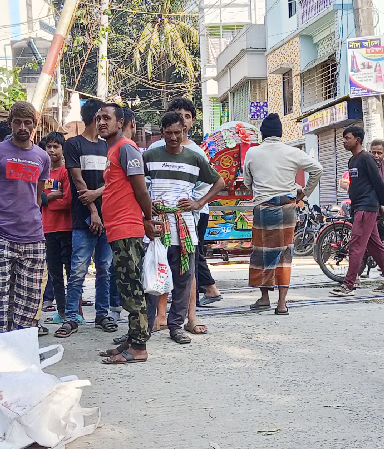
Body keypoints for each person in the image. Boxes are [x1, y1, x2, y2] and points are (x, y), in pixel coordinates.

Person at [143, 112, 226, 344]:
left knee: (183, 279)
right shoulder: (149, 156)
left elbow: (219, 181)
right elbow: (135, 183)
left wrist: (199, 203)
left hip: (185, 227)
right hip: (156, 229)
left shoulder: (194, 157)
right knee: (151, 277)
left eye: (177, 133)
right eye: (168, 133)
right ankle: (145, 328)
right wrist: (146, 209)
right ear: (162, 133)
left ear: (184, 132)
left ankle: (176, 327)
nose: (173, 137)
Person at [96, 103, 161, 364]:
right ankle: (133, 340)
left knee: (131, 287)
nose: (101, 122)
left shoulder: (126, 148)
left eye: (107, 118)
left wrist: (147, 219)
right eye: (99, 118)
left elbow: (141, 189)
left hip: (127, 229)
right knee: (126, 286)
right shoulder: (114, 150)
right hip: (117, 230)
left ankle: (139, 348)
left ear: (120, 122)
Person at [244, 114, 322, 314]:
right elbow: (317, 169)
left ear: (262, 133)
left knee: (261, 253)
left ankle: (263, 298)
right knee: (284, 254)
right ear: (280, 133)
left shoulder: (252, 153)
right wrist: (304, 192)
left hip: (263, 208)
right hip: (287, 208)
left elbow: (247, 182)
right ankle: (281, 304)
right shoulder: (292, 152)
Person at [61, 98, 118, 337]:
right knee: (77, 270)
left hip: (109, 220)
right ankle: (71, 317)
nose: (104, 120)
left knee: (105, 269)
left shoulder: (109, 148)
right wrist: (94, 212)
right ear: (95, 117)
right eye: (102, 116)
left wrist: (98, 199)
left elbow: (114, 181)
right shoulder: (73, 144)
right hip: (83, 218)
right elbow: (78, 182)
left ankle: (102, 314)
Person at [329, 129, 384, 296]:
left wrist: (380, 204)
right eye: (344, 139)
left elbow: (377, 182)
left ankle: (349, 284)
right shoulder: (352, 160)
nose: (344, 141)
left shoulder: (366, 158)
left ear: (358, 140)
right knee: (375, 246)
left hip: (366, 208)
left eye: (348, 138)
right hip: (359, 207)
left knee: (356, 246)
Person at [0, 102, 49, 333]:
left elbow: (37, 197)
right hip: (3, 235)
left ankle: (21, 354)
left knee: (28, 303)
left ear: (34, 125)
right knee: (2, 302)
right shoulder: (1, 151)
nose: (22, 127)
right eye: (17, 122)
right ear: (9, 124)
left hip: (33, 237)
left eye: (27, 122)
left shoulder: (42, 156)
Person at [40, 132, 73, 332]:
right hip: (47, 228)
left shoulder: (65, 172)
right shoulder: (41, 172)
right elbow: (38, 199)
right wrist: (51, 197)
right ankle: (61, 311)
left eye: (56, 147)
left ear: (62, 149)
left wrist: (45, 199)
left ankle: (72, 311)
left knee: (71, 272)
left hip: (66, 228)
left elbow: (68, 201)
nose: (51, 151)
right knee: (54, 273)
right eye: (49, 147)